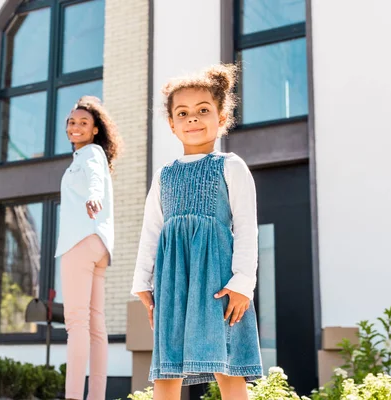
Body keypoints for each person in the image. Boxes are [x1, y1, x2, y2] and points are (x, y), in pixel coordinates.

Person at [131, 64, 263, 400]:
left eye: (203, 111)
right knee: (168, 367)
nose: (193, 119)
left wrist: (242, 283)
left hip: (218, 281)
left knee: (227, 366)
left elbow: (247, 227)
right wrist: (143, 283)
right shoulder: (164, 175)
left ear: (221, 118)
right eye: (183, 113)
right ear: (172, 125)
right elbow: (152, 231)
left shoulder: (231, 165)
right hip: (173, 280)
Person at [55, 96, 122, 400]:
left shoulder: (90, 154)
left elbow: (95, 179)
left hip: (79, 242)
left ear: (95, 130)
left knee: (77, 323)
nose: (76, 127)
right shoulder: (89, 155)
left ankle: (72, 397)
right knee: (96, 325)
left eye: (84, 122)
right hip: (98, 245)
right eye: (72, 122)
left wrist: (94, 196)